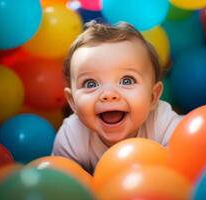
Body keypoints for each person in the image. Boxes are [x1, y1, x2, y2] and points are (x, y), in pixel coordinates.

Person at [52, 21, 183, 173]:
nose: (108, 94)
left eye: (127, 81)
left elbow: (188, 158)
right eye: (90, 84)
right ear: (73, 102)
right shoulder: (72, 138)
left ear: (153, 97)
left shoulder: (163, 123)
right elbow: (63, 185)